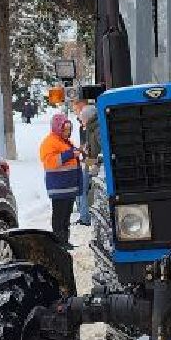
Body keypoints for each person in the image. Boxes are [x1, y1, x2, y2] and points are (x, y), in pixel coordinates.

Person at [39, 111, 83, 245]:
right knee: (59, 217)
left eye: (69, 130)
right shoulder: (49, 142)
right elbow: (50, 162)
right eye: (65, 129)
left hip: (68, 186)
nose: (67, 132)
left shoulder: (65, 142)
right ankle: (58, 242)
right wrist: (69, 154)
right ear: (58, 128)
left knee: (66, 217)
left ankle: (65, 240)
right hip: (59, 187)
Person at [73, 96, 99, 226]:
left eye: (82, 119)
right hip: (92, 162)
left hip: (96, 164)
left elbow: (100, 153)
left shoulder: (96, 130)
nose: (80, 121)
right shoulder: (91, 128)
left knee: (81, 185)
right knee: (80, 182)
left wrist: (89, 161)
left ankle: (85, 217)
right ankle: (84, 215)